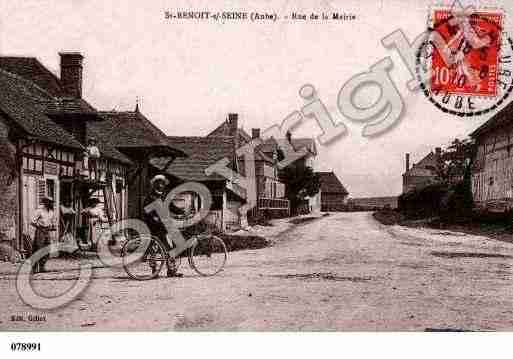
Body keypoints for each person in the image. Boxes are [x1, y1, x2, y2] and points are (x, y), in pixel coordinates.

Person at [143, 174, 184, 278]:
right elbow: (146, 211)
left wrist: (181, 211)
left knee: (169, 248)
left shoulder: (164, 196)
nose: (161, 185)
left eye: (162, 183)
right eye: (158, 183)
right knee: (154, 249)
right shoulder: (150, 197)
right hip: (153, 226)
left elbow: (171, 206)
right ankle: (154, 271)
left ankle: (171, 270)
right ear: (155, 185)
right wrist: (154, 218)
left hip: (162, 226)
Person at [31, 196, 57, 273]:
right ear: (45, 203)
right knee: (38, 249)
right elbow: (32, 221)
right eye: (49, 202)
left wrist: (52, 226)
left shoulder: (51, 212)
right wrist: (39, 227)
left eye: (51, 202)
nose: (51, 204)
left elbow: (51, 221)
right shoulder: (39, 211)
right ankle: (34, 267)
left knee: (47, 249)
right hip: (40, 231)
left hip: (47, 231)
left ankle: (42, 267)